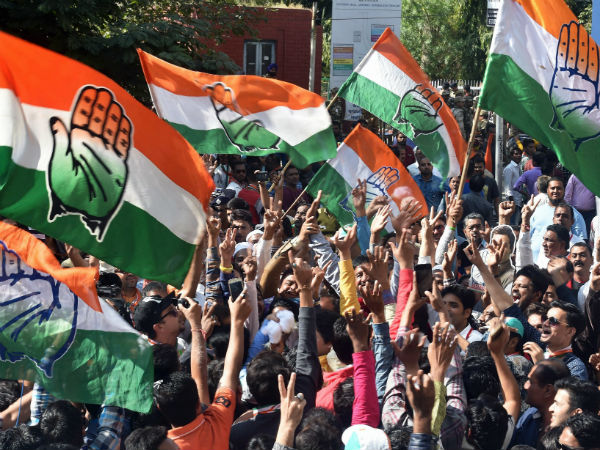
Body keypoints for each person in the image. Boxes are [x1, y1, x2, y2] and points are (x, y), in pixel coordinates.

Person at [511, 360, 570, 447]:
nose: (525, 386)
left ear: (548, 390)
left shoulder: (569, 432)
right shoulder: (529, 416)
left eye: (530, 382)